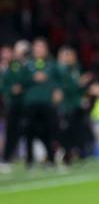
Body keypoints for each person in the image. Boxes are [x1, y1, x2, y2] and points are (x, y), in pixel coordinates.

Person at [22, 38, 63, 168]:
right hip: (31, 103)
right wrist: (32, 78)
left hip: (47, 102)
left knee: (50, 130)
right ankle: (29, 160)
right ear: (33, 49)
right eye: (37, 47)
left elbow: (59, 81)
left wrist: (57, 90)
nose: (39, 50)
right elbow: (21, 81)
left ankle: (51, 158)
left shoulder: (52, 65)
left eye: (42, 47)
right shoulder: (27, 65)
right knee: (29, 130)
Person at [0, 40, 30, 173]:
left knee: (18, 131)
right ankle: (7, 158)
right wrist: (8, 90)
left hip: (15, 104)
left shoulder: (16, 66)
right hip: (8, 104)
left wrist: (19, 88)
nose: (6, 56)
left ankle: (21, 157)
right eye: (3, 54)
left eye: (8, 53)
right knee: (10, 132)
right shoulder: (6, 68)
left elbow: (26, 80)